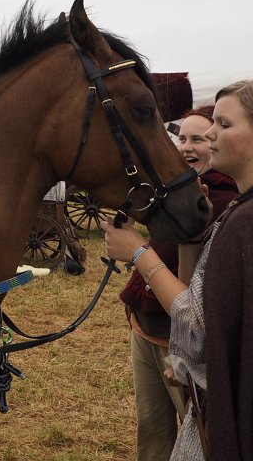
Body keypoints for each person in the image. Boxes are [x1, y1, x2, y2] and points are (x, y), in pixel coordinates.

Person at [104, 79, 253, 460]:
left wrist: (139, 253)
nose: (209, 135)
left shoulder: (243, 219)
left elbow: (199, 325)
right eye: (183, 137)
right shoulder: (230, 213)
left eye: (223, 125)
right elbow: (200, 303)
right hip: (165, 342)